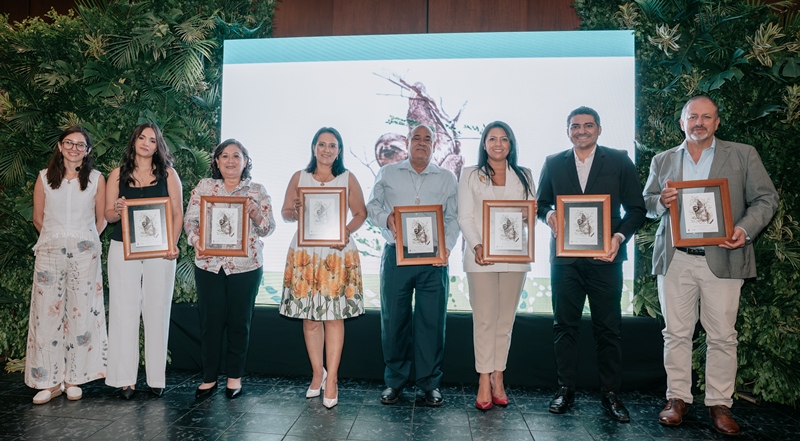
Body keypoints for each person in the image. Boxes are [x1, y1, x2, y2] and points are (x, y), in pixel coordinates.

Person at [643, 95, 778, 436]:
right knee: (675, 334)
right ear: (682, 122)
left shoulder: (743, 154)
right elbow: (646, 202)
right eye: (693, 117)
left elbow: (766, 198)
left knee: (722, 337)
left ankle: (720, 404)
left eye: (706, 117)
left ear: (717, 122)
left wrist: (744, 230)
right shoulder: (663, 160)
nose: (699, 122)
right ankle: (677, 399)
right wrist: (660, 200)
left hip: (724, 257)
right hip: (676, 260)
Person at [536, 106, 646, 422]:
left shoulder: (619, 160)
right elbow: (542, 204)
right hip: (565, 260)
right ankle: (565, 389)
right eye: (575, 126)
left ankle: (611, 394)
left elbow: (636, 209)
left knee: (608, 329)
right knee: (564, 326)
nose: (581, 131)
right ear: (567, 131)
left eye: (588, 125)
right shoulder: (553, 163)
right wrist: (549, 215)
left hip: (606, 259)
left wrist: (619, 238)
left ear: (599, 129)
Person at [366, 124, 459, 406]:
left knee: (431, 322)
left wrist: (447, 250)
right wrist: (387, 219)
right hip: (397, 256)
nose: (421, 143)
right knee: (395, 321)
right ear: (407, 143)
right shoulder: (388, 172)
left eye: (427, 139)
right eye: (416, 138)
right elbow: (372, 208)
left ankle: (430, 383)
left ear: (434, 144)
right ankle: (395, 381)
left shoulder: (447, 178)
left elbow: (453, 218)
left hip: (434, 261)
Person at [279, 127, 366, 409]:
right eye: (322, 144)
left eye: (333, 146)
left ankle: (333, 379)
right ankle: (318, 373)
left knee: (333, 317)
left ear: (339, 151)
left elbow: (360, 213)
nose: (327, 150)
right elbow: (286, 213)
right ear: (313, 147)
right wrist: (293, 208)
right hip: (305, 253)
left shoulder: (347, 178)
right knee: (311, 319)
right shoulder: (299, 177)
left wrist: (346, 233)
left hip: (336, 254)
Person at [185, 139, 276, 400]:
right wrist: (196, 241)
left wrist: (257, 215)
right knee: (210, 323)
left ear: (246, 161)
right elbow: (191, 222)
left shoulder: (257, 190)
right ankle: (209, 377)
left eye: (237, 156)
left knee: (239, 324)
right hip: (209, 265)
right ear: (216, 161)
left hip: (245, 267)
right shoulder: (205, 187)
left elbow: (268, 229)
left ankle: (234, 377)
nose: (230, 161)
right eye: (224, 156)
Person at [25, 126, 108, 404]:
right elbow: (39, 219)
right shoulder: (44, 178)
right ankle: (48, 382)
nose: (74, 148)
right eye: (69, 143)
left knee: (82, 313)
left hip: (85, 256)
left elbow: (101, 218)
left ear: (88, 151)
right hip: (49, 253)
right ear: (60, 146)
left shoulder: (96, 179)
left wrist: (87, 241)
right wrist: (55, 239)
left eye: (81, 144)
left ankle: (74, 378)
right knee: (45, 316)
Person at [457, 121, 535, 410]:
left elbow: (526, 216)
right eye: (492, 139)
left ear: (511, 144)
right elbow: (464, 217)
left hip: (515, 258)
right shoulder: (469, 175)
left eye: (504, 139)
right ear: (484, 144)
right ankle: (483, 378)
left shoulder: (524, 175)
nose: (498, 143)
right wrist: (477, 246)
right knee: (485, 320)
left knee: (505, 321)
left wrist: (531, 212)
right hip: (481, 258)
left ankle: (499, 375)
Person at [105, 122, 183, 399]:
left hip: (160, 253)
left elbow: (176, 214)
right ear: (134, 141)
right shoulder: (116, 175)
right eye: (141, 137)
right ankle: (125, 379)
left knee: (157, 311)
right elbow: (109, 216)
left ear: (158, 145)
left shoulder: (169, 174)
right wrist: (116, 208)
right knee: (123, 311)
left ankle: (156, 379)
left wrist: (172, 245)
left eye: (152, 139)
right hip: (121, 249)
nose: (146, 143)